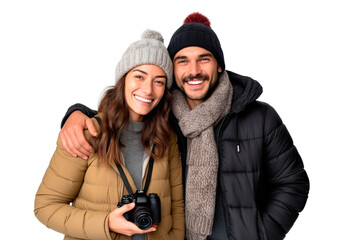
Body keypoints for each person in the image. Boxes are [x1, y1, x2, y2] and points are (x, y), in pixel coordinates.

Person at [58, 13, 310, 240]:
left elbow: (293, 183)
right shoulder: (162, 118)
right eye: (182, 61)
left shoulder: (260, 117)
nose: (194, 71)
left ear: (219, 65)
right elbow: (122, 113)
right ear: (172, 72)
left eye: (204, 59)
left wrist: (261, 234)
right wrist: (77, 113)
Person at [34, 29, 184, 240]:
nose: (148, 90)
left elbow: (176, 209)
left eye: (158, 81)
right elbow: (45, 206)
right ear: (123, 79)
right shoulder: (87, 133)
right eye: (139, 76)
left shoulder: (167, 138)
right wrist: (106, 224)